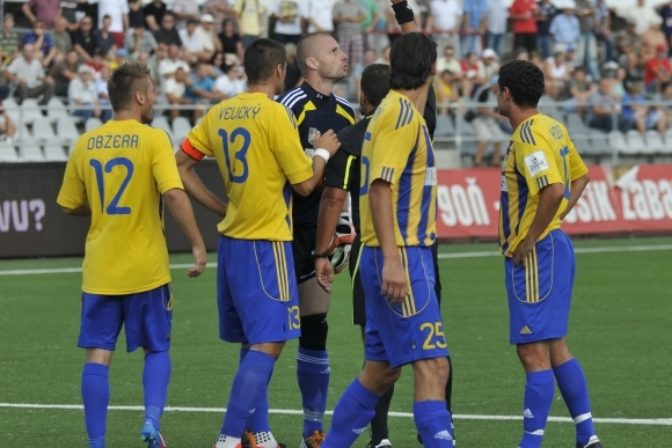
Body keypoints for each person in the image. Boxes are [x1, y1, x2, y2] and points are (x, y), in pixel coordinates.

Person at [175, 38, 340, 448]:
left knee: (253, 339)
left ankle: (260, 436)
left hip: (232, 242)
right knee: (270, 340)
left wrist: (220, 206)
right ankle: (229, 438)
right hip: (266, 242)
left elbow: (182, 165)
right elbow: (305, 185)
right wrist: (322, 153)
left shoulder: (219, 111)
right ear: (280, 71)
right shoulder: (275, 113)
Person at [56, 62, 208, 448]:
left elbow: (69, 204)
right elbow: (173, 194)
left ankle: (97, 442)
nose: (155, 97)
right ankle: (152, 422)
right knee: (156, 348)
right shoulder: (153, 138)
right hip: (146, 268)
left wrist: (101, 205)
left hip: (100, 270)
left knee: (97, 355)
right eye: (152, 91)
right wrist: (197, 241)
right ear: (140, 97)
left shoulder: (85, 142)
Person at [321, 31, 454, 448]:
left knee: (380, 371)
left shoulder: (391, 111)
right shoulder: (400, 117)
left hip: (385, 254)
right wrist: (395, 261)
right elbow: (380, 188)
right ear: (431, 70)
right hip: (402, 255)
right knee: (433, 366)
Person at [495, 59, 602, 448]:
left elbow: (554, 189)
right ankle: (587, 435)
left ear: (506, 93)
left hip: (536, 255)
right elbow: (581, 176)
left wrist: (530, 237)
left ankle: (530, 443)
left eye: (497, 90)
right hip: (555, 246)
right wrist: (554, 220)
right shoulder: (552, 126)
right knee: (555, 347)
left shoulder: (527, 134)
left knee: (532, 351)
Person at [278, 31, 354, 448]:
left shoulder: (346, 112)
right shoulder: (288, 106)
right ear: (310, 62)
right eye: (334, 50)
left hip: (317, 236)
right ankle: (251, 427)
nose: (343, 55)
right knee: (267, 335)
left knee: (315, 328)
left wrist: (340, 229)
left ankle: (312, 429)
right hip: (279, 233)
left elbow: (345, 182)